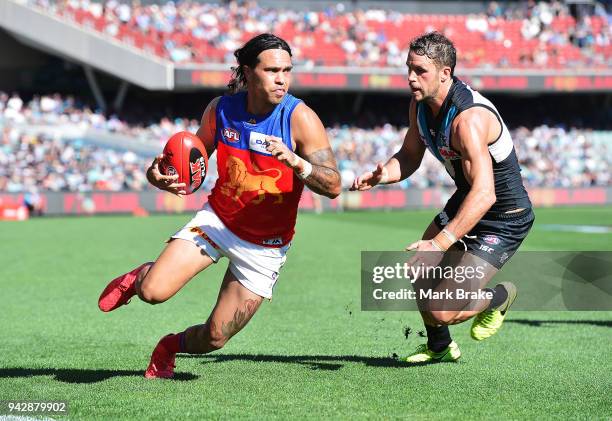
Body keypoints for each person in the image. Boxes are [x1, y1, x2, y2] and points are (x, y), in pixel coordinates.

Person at [98, 33, 341, 378]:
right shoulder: (221, 110)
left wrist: (297, 163)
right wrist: (159, 176)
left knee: (215, 337)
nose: (282, 79)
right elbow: (190, 164)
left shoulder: (300, 118)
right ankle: (139, 276)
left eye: (287, 70)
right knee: (153, 291)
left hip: (266, 246)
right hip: (218, 222)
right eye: (272, 70)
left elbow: (333, 185)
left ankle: (169, 346)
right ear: (248, 71)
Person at [351, 32, 534, 363]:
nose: (410, 78)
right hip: (467, 200)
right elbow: (409, 155)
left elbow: (486, 192)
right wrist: (384, 175)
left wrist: (441, 242)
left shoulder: (469, 120)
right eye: (409, 68)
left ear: (444, 73)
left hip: (504, 216)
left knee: (442, 308)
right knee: (420, 270)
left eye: (420, 71)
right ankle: (440, 347)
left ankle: (499, 297)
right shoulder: (419, 104)